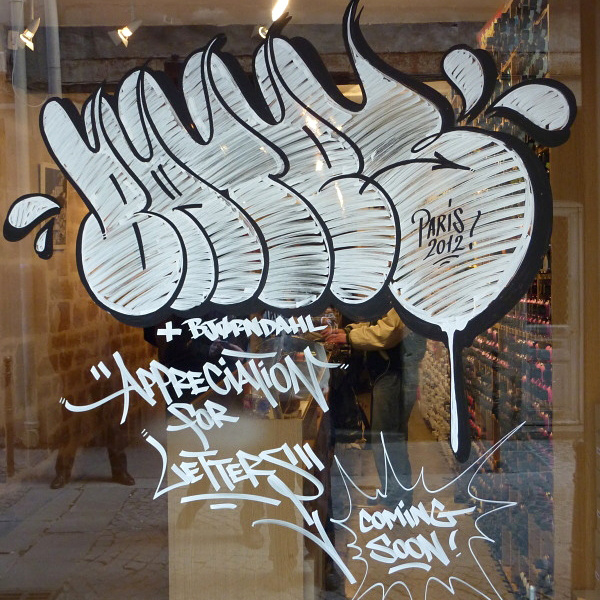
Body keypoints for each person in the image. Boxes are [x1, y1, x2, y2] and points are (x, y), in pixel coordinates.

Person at [326, 308, 425, 508]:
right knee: (385, 438)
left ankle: (397, 500)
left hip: (395, 374)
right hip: (388, 373)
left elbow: (388, 332)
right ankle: (391, 492)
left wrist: (349, 337)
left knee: (389, 438)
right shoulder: (390, 297)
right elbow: (375, 321)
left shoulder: (399, 296)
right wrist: (348, 331)